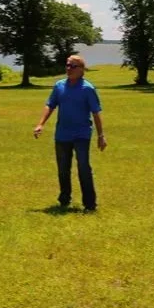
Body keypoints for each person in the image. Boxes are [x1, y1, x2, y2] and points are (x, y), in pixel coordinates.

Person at [33, 55, 106, 211]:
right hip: (62, 134)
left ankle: (90, 204)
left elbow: (96, 113)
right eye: (67, 65)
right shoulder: (59, 86)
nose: (68, 69)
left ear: (81, 70)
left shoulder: (87, 88)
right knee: (63, 169)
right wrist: (41, 124)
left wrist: (101, 136)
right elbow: (50, 105)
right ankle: (64, 199)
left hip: (82, 134)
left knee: (83, 168)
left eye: (72, 66)